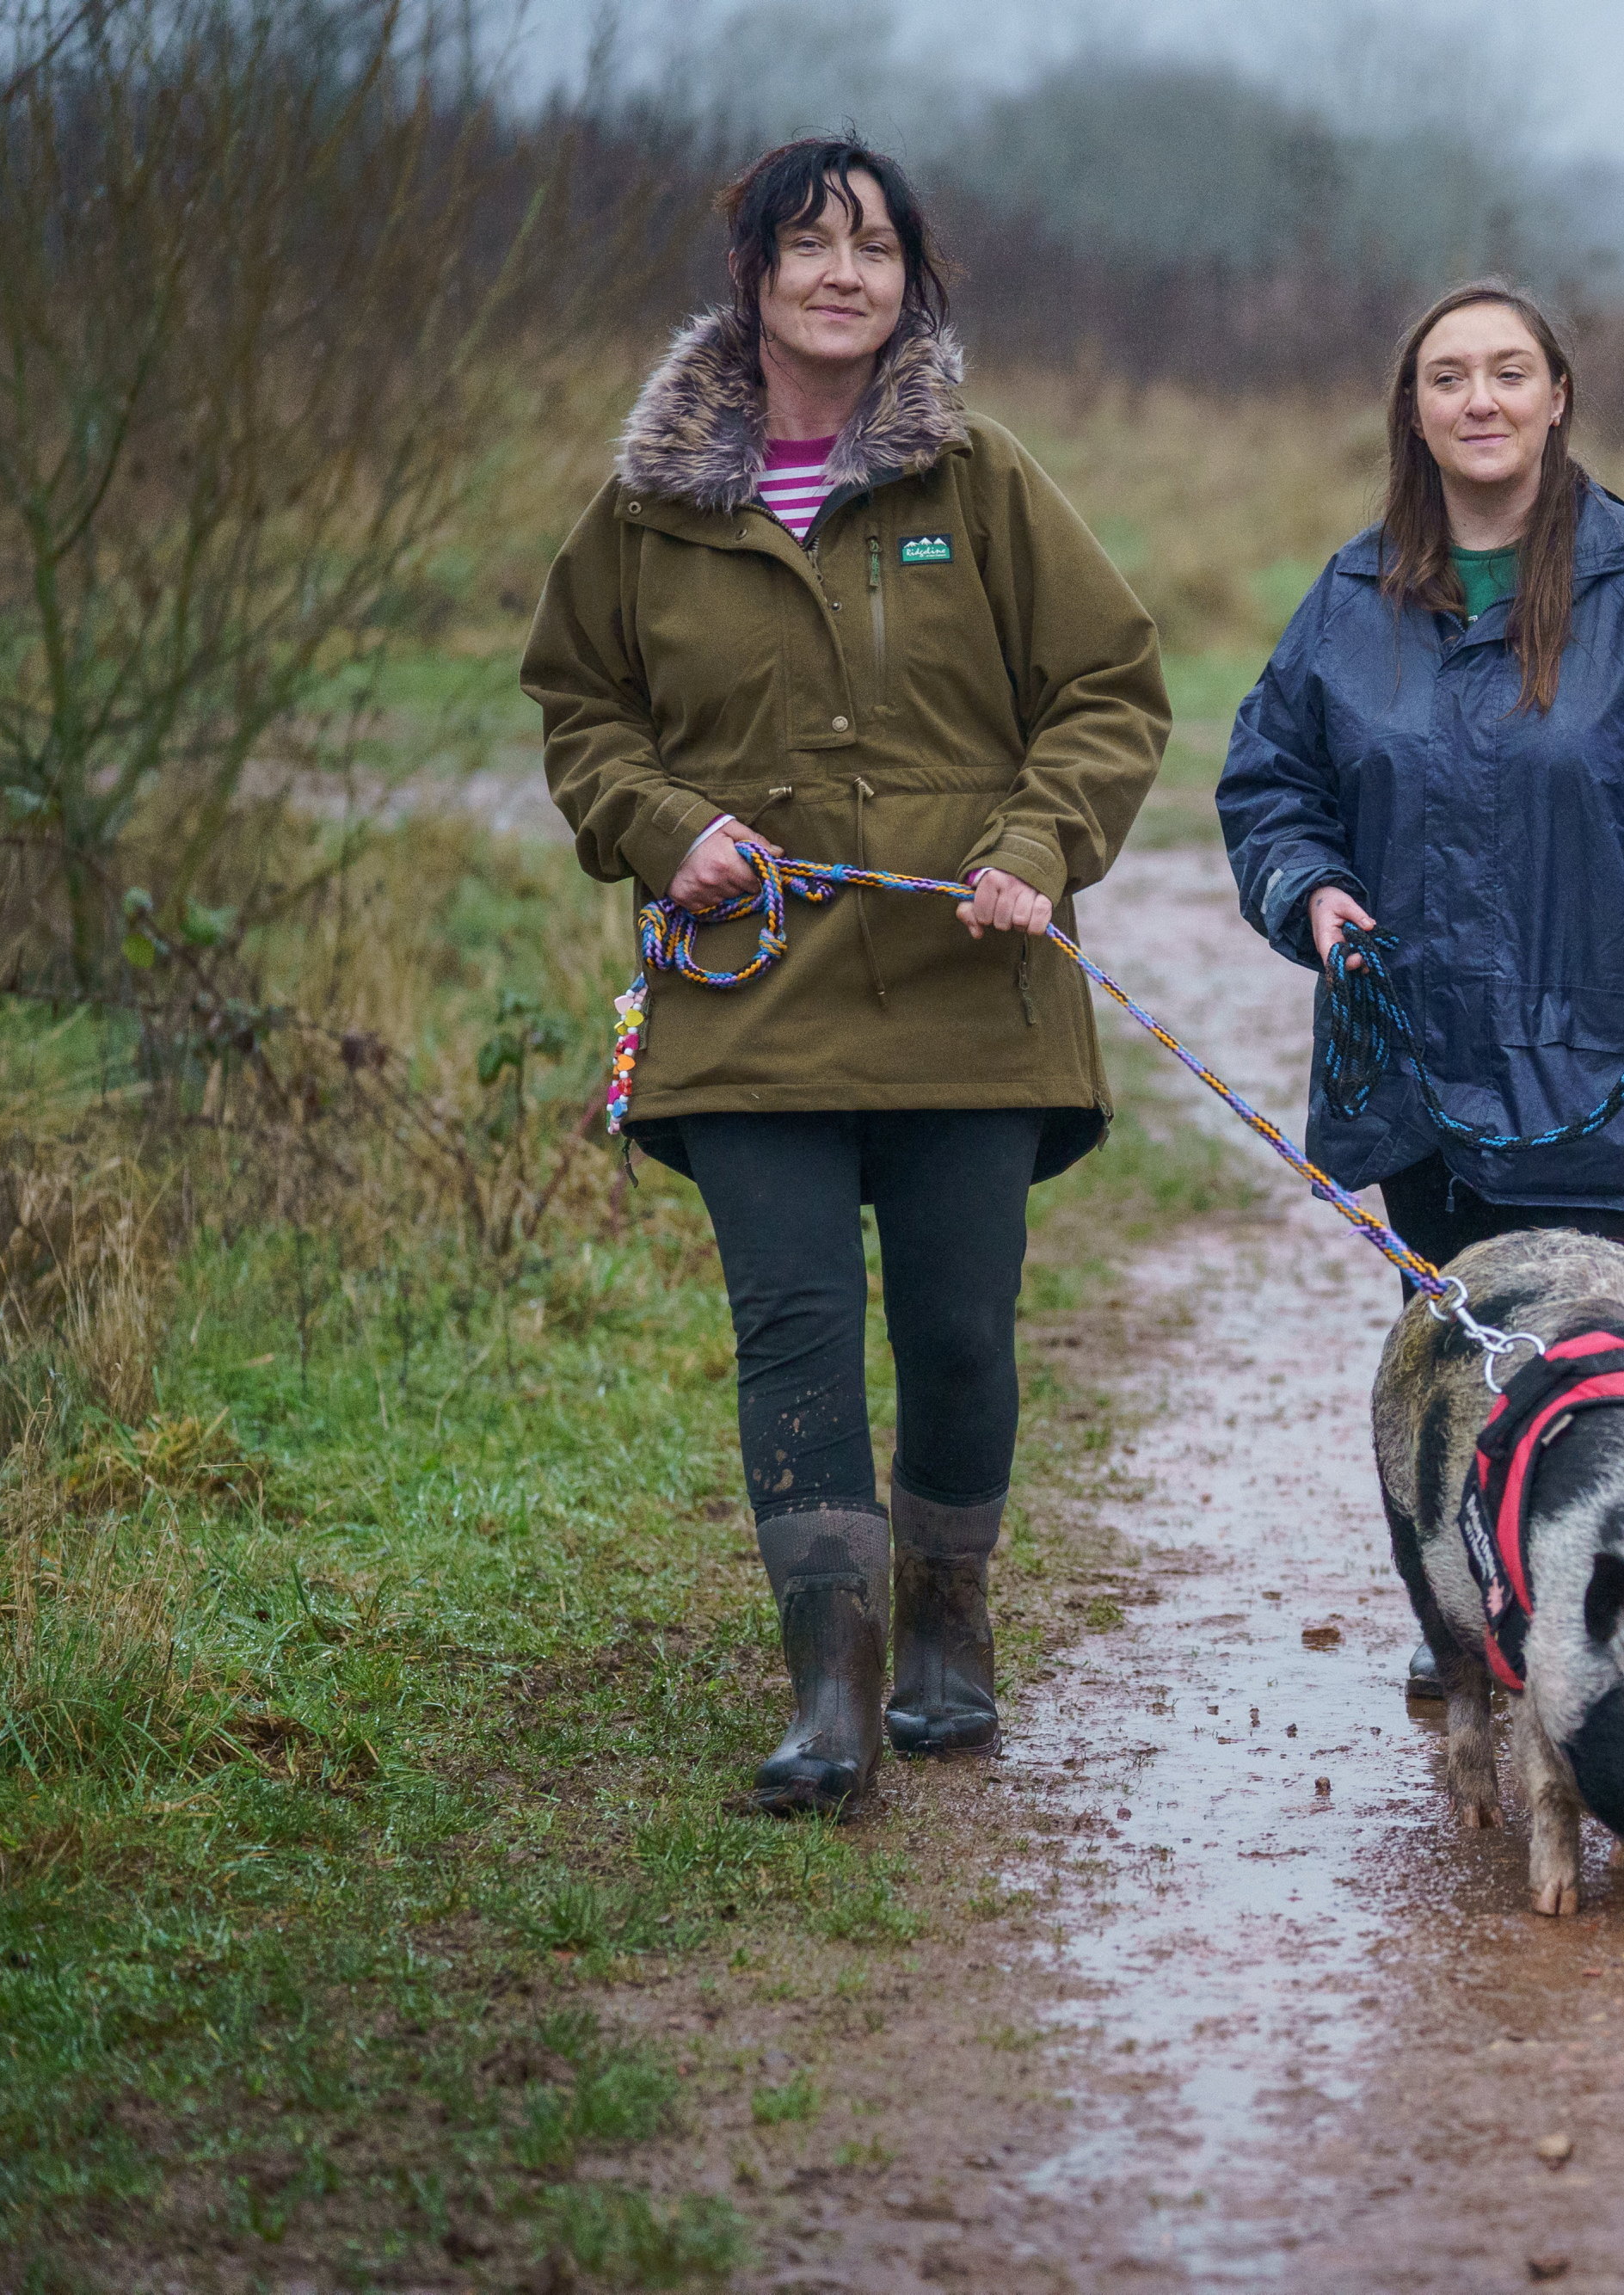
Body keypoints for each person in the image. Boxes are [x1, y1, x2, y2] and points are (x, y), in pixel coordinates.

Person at [523, 138, 1168, 1818]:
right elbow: (580, 710)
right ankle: (833, 1684)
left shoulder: (983, 479)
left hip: (975, 994)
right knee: (793, 1330)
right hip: (747, 997)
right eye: (808, 245)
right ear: (748, 274)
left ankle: (949, 1616)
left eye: (873, 249)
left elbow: (1108, 687)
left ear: (909, 284)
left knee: (956, 1336)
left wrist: (1037, 844)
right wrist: (660, 826)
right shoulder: (650, 506)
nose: (841, 274)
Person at [1217, 279, 1624, 1696]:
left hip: (1585, 1038)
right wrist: (1306, 886)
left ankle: (1571, 1619)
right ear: (1413, 412)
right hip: (1406, 1040)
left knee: (1563, 1346)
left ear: (1558, 396)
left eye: (1508, 373)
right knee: (1447, 1343)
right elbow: (1270, 783)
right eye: (1449, 378)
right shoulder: (1349, 599)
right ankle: (1464, 1622)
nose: (1480, 400)